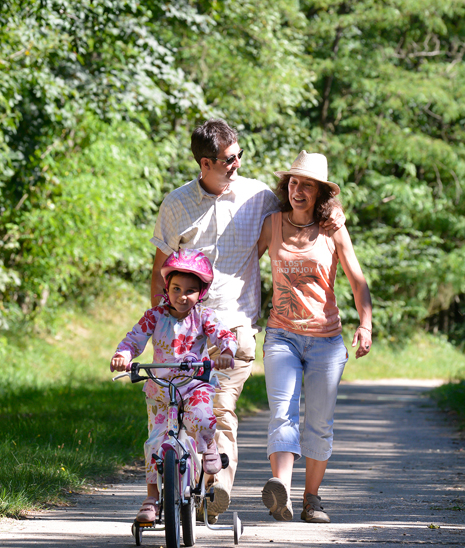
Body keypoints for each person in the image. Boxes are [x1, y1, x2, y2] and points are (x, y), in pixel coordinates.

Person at [150, 119, 345, 521]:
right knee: (174, 413)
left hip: (234, 325)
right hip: (183, 329)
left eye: (239, 154)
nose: (237, 163)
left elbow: (304, 209)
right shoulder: (175, 205)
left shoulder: (259, 196)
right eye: (229, 159)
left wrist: (335, 212)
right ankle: (169, 491)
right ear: (205, 163)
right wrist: (159, 326)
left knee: (220, 409)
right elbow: (159, 271)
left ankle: (216, 489)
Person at [257, 150, 373, 523]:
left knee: (319, 424)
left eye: (307, 185)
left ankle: (311, 499)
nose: (298, 190)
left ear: (321, 192)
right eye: (293, 183)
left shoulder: (333, 229)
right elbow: (242, 267)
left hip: (326, 342)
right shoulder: (272, 224)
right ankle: (282, 493)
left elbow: (357, 280)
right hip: (282, 336)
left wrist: (366, 323)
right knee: (282, 414)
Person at [111, 249, 237, 523]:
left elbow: (224, 335)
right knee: (155, 442)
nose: (182, 296)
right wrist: (123, 355)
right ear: (166, 288)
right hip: (161, 389)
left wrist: (226, 351)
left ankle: (209, 446)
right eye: (176, 288)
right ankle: (152, 498)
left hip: (194, 385)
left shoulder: (203, 316)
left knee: (202, 418)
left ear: (201, 293)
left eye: (190, 291)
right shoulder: (154, 316)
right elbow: (133, 339)